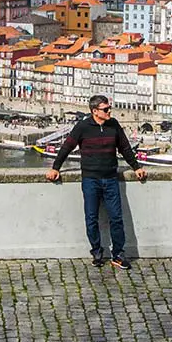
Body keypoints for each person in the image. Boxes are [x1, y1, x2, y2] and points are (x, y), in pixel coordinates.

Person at [46, 94, 147, 269]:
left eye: (109, 108)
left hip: (110, 178)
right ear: (94, 111)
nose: (109, 111)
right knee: (91, 218)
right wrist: (56, 168)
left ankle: (118, 254)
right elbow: (67, 147)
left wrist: (136, 167)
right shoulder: (83, 127)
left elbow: (124, 148)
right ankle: (97, 252)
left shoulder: (113, 125)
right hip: (90, 179)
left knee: (116, 218)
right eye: (106, 109)